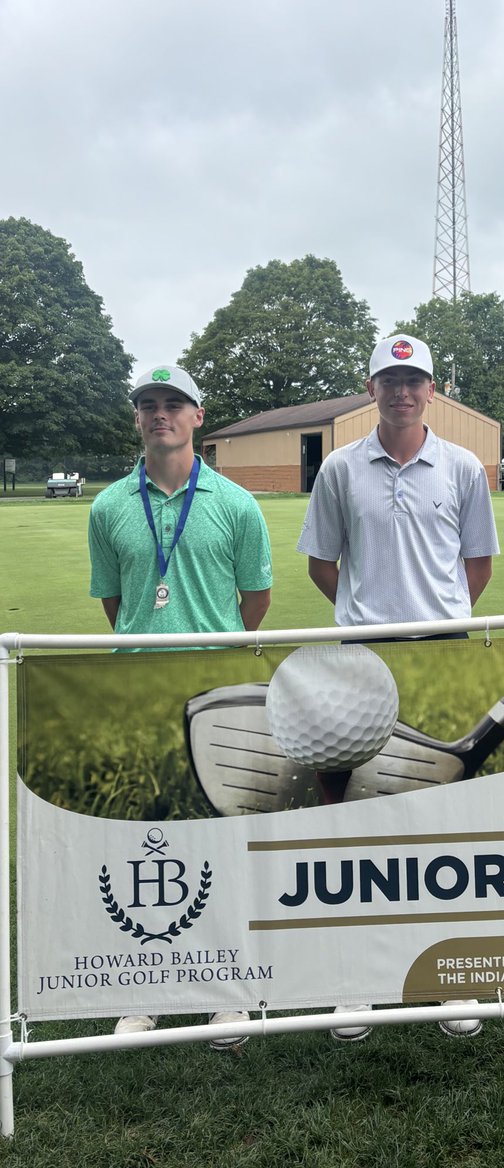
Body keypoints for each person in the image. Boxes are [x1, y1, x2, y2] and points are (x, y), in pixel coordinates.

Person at [297, 333, 500, 1041]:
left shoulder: (465, 466)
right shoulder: (341, 469)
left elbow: (476, 566)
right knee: (358, 814)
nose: (402, 392)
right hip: (361, 652)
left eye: (414, 382)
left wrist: (434, 616)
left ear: (432, 391)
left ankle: (451, 977)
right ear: (372, 387)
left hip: (443, 649)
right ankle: (355, 980)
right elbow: (324, 564)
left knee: (445, 818)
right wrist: (367, 611)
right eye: (390, 380)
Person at [88, 363, 273, 1049]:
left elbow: (255, 601)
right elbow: (114, 601)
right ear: (136, 419)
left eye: (174, 404)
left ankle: (227, 993)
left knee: (222, 841)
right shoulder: (108, 507)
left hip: (216, 691)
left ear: (198, 416)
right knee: (143, 842)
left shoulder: (235, 503)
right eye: (148, 405)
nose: (159, 414)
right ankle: (146, 987)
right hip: (137, 690)